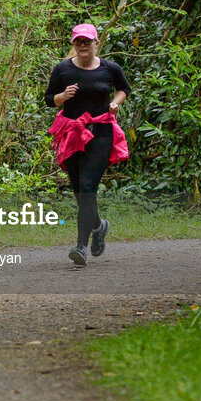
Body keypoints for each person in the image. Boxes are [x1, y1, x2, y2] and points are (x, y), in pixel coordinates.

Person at [43, 23, 131, 267]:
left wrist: (116, 103)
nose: (83, 45)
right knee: (78, 190)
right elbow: (49, 99)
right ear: (73, 44)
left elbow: (125, 89)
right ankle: (98, 225)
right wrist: (62, 97)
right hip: (72, 132)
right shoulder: (62, 70)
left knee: (86, 187)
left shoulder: (110, 68)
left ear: (96, 43)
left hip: (101, 132)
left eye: (87, 41)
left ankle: (81, 245)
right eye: (78, 41)